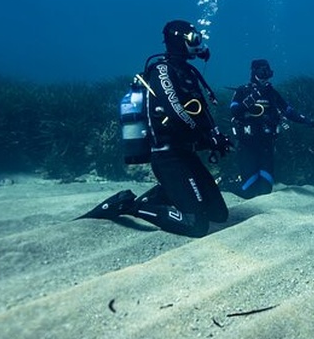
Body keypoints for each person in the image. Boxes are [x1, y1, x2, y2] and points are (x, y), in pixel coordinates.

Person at [78, 19, 233, 238]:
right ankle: (128, 207)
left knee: (218, 214)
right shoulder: (161, 70)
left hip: (186, 154)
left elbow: (201, 111)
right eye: (193, 39)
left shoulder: (187, 73)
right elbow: (175, 110)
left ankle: (159, 196)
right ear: (179, 41)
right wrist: (205, 138)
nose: (198, 44)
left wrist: (216, 136)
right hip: (168, 157)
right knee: (195, 225)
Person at [228, 59, 314, 199]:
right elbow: (235, 110)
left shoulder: (272, 93)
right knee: (249, 190)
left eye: (268, 73)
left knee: (265, 189)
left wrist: (307, 121)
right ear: (254, 72)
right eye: (262, 72)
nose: (265, 76)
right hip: (247, 145)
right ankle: (227, 183)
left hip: (266, 144)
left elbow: (288, 111)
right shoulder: (242, 90)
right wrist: (256, 95)